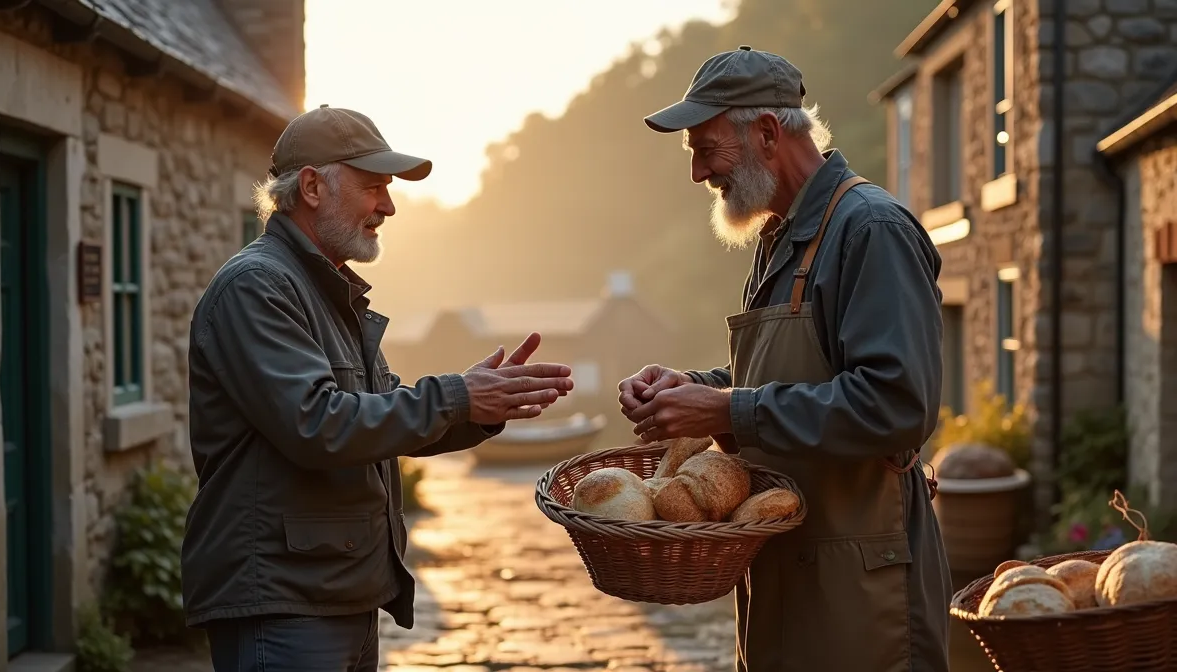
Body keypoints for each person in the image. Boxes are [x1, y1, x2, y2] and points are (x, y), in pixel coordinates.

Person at [181, 105, 574, 671]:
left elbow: (381, 417)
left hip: (336, 598)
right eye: (373, 188)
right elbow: (317, 425)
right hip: (284, 605)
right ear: (312, 187)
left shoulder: (326, 290)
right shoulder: (257, 287)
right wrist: (458, 395)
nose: (388, 206)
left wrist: (483, 404)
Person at [617, 47, 951, 672]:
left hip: (863, 586)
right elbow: (784, 380)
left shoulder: (870, 229)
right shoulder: (783, 234)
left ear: (767, 134)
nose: (696, 173)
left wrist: (726, 408)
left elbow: (897, 405)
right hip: (788, 576)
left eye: (704, 147)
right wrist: (691, 388)